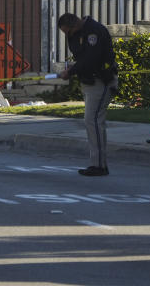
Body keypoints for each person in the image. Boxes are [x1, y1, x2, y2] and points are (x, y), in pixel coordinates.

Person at [57, 13, 118, 176]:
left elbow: (91, 59)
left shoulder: (93, 32)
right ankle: (99, 163)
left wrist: (71, 71)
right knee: (93, 122)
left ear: (74, 25)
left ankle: (98, 165)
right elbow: (81, 55)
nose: (68, 36)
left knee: (92, 121)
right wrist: (74, 68)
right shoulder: (80, 33)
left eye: (68, 32)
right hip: (89, 82)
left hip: (101, 81)